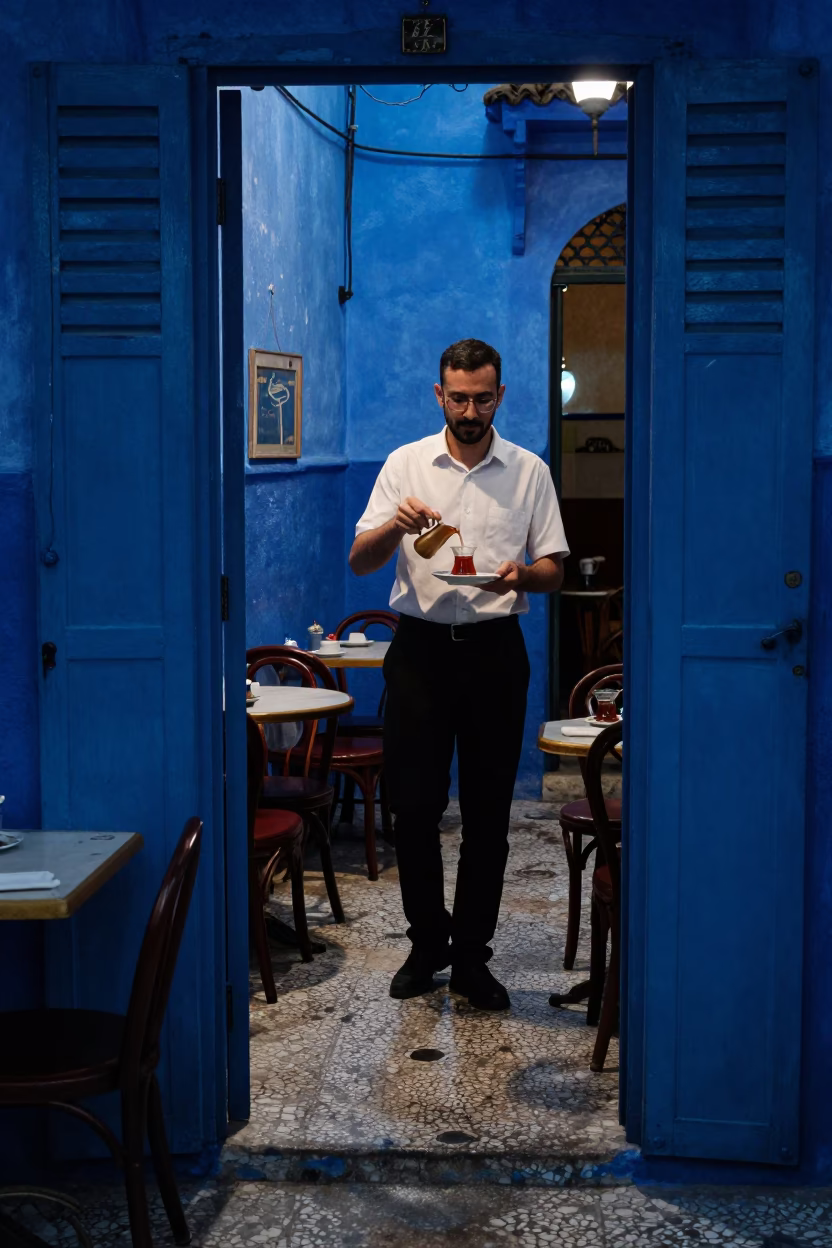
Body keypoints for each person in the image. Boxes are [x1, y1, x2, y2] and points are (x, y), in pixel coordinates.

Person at [349, 339, 569, 1010]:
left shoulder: (529, 471)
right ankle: (427, 946)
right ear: (439, 395)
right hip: (419, 653)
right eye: (458, 398)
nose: (470, 411)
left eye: (482, 399)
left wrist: (523, 574)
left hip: (494, 654)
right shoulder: (405, 464)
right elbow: (361, 560)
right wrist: (395, 525)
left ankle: (472, 957)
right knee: (414, 810)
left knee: (487, 816)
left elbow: (554, 569)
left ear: (500, 396)